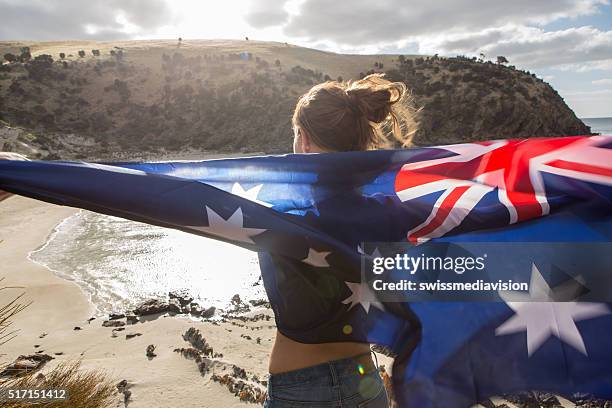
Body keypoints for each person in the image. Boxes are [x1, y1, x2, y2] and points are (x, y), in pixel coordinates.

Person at [262, 73, 415, 407]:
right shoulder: (387, 213)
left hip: (300, 391)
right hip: (364, 385)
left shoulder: (280, 217)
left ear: (303, 140)